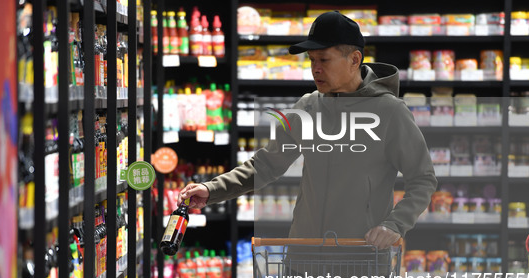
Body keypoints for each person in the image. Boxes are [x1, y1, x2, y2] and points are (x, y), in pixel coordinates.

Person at [178, 10, 437, 249]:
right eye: (312, 60)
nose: (315, 69)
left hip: (362, 258)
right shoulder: (307, 107)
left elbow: (422, 178)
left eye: (324, 59)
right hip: (305, 260)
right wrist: (213, 189)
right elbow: (266, 164)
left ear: (354, 59)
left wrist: (395, 224)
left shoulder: (389, 112)